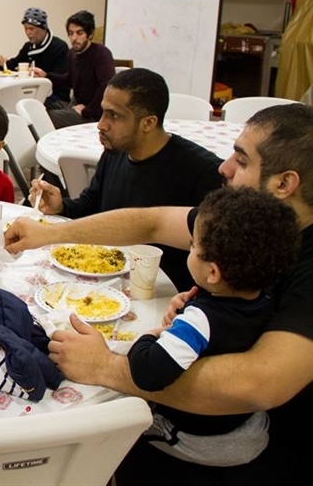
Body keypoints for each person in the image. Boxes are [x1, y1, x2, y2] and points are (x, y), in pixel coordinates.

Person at [5, 103, 313, 486]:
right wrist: (51, 233)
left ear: (284, 184)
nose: (223, 168)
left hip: (250, 454)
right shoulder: (253, 224)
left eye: (242, 160)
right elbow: (151, 222)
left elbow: (260, 384)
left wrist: (106, 367)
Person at [128, 187, 298, 467]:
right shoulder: (266, 299)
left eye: (193, 246)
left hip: (198, 438)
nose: (190, 249)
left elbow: (146, 372)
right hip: (242, 422)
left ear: (213, 272)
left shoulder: (201, 320)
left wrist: (151, 334)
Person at [29, 68, 222, 291]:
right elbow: (91, 207)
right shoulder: (116, 152)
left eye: (114, 115)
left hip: (165, 293)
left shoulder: (202, 172)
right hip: (106, 282)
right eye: (103, 112)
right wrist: (61, 206)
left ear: (148, 123)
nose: (101, 124)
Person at [37, 10, 115, 123]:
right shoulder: (71, 54)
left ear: (90, 34)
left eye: (79, 33)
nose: (74, 38)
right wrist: (45, 75)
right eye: (71, 33)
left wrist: (87, 111)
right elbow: (69, 80)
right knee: (39, 106)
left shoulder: (101, 53)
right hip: (76, 106)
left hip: (92, 114)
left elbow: (107, 85)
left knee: (42, 118)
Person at [0, 7, 69, 78]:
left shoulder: (59, 47)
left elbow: (63, 78)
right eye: (25, 28)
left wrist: (45, 76)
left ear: (43, 28)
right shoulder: (28, 47)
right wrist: (3, 64)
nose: (28, 33)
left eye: (31, 29)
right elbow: (14, 66)